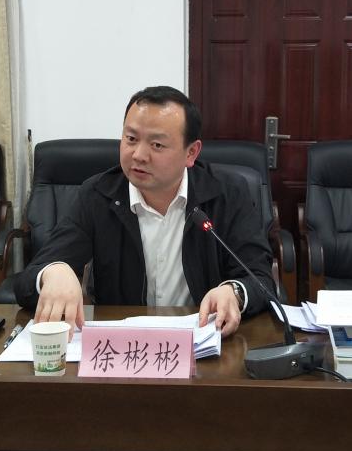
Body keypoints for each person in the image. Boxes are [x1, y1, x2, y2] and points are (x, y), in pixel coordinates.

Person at [15, 86, 274, 337]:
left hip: (203, 344)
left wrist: (234, 292)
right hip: (124, 347)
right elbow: (26, 283)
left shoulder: (228, 194)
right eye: (131, 139)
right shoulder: (97, 195)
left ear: (191, 153)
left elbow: (260, 279)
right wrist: (52, 272)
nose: (138, 155)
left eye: (157, 145)